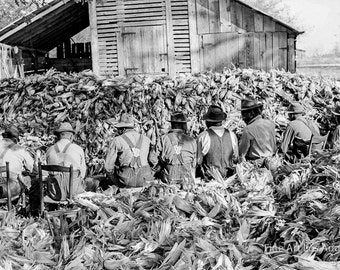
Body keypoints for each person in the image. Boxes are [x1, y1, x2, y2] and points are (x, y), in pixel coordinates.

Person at [105, 113, 153, 188]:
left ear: (123, 129)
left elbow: (108, 167)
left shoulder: (117, 140)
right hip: (145, 178)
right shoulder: (146, 139)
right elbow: (152, 160)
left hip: (126, 179)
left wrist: (114, 179)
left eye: (119, 129)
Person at [149, 112, 196, 185]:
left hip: (169, 179)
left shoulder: (163, 139)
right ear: (183, 125)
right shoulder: (191, 140)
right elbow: (194, 163)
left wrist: (160, 167)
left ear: (172, 125)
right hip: (187, 180)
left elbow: (152, 158)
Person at [45, 122, 87, 200]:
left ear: (58, 136)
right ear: (71, 136)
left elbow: (45, 171)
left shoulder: (49, 150)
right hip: (73, 192)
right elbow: (83, 173)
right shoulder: (78, 149)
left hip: (55, 193)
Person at [197, 105, 238, 179]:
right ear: (221, 121)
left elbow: (198, 161)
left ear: (208, 121)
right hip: (230, 177)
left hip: (210, 179)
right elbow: (235, 158)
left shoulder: (203, 136)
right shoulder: (232, 135)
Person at [0, 125, 34, 200]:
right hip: (10, 189)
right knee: (30, 179)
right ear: (15, 139)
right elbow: (32, 168)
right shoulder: (20, 149)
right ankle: (32, 209)